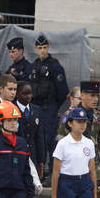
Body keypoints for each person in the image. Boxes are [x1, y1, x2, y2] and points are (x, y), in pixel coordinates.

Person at [30, 34, 69, 167]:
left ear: (48, 48)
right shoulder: (33, 66)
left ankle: (52, 170)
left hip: (48, 109)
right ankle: (38, 170)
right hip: (35, 108)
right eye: (40, 47)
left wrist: (53, 106)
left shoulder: (55, 67)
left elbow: (63, 91)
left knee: (50, 140)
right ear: (35, 48)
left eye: (45, 47)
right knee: (35, 139)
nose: (42, 51)